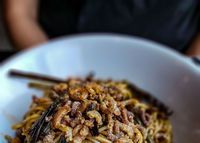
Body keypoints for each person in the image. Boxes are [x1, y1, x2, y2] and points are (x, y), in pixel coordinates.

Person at [4, 0, 200, 56]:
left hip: (170, 58)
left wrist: (184, 74)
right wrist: (51, 68)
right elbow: (20, 12)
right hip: (53, 48)